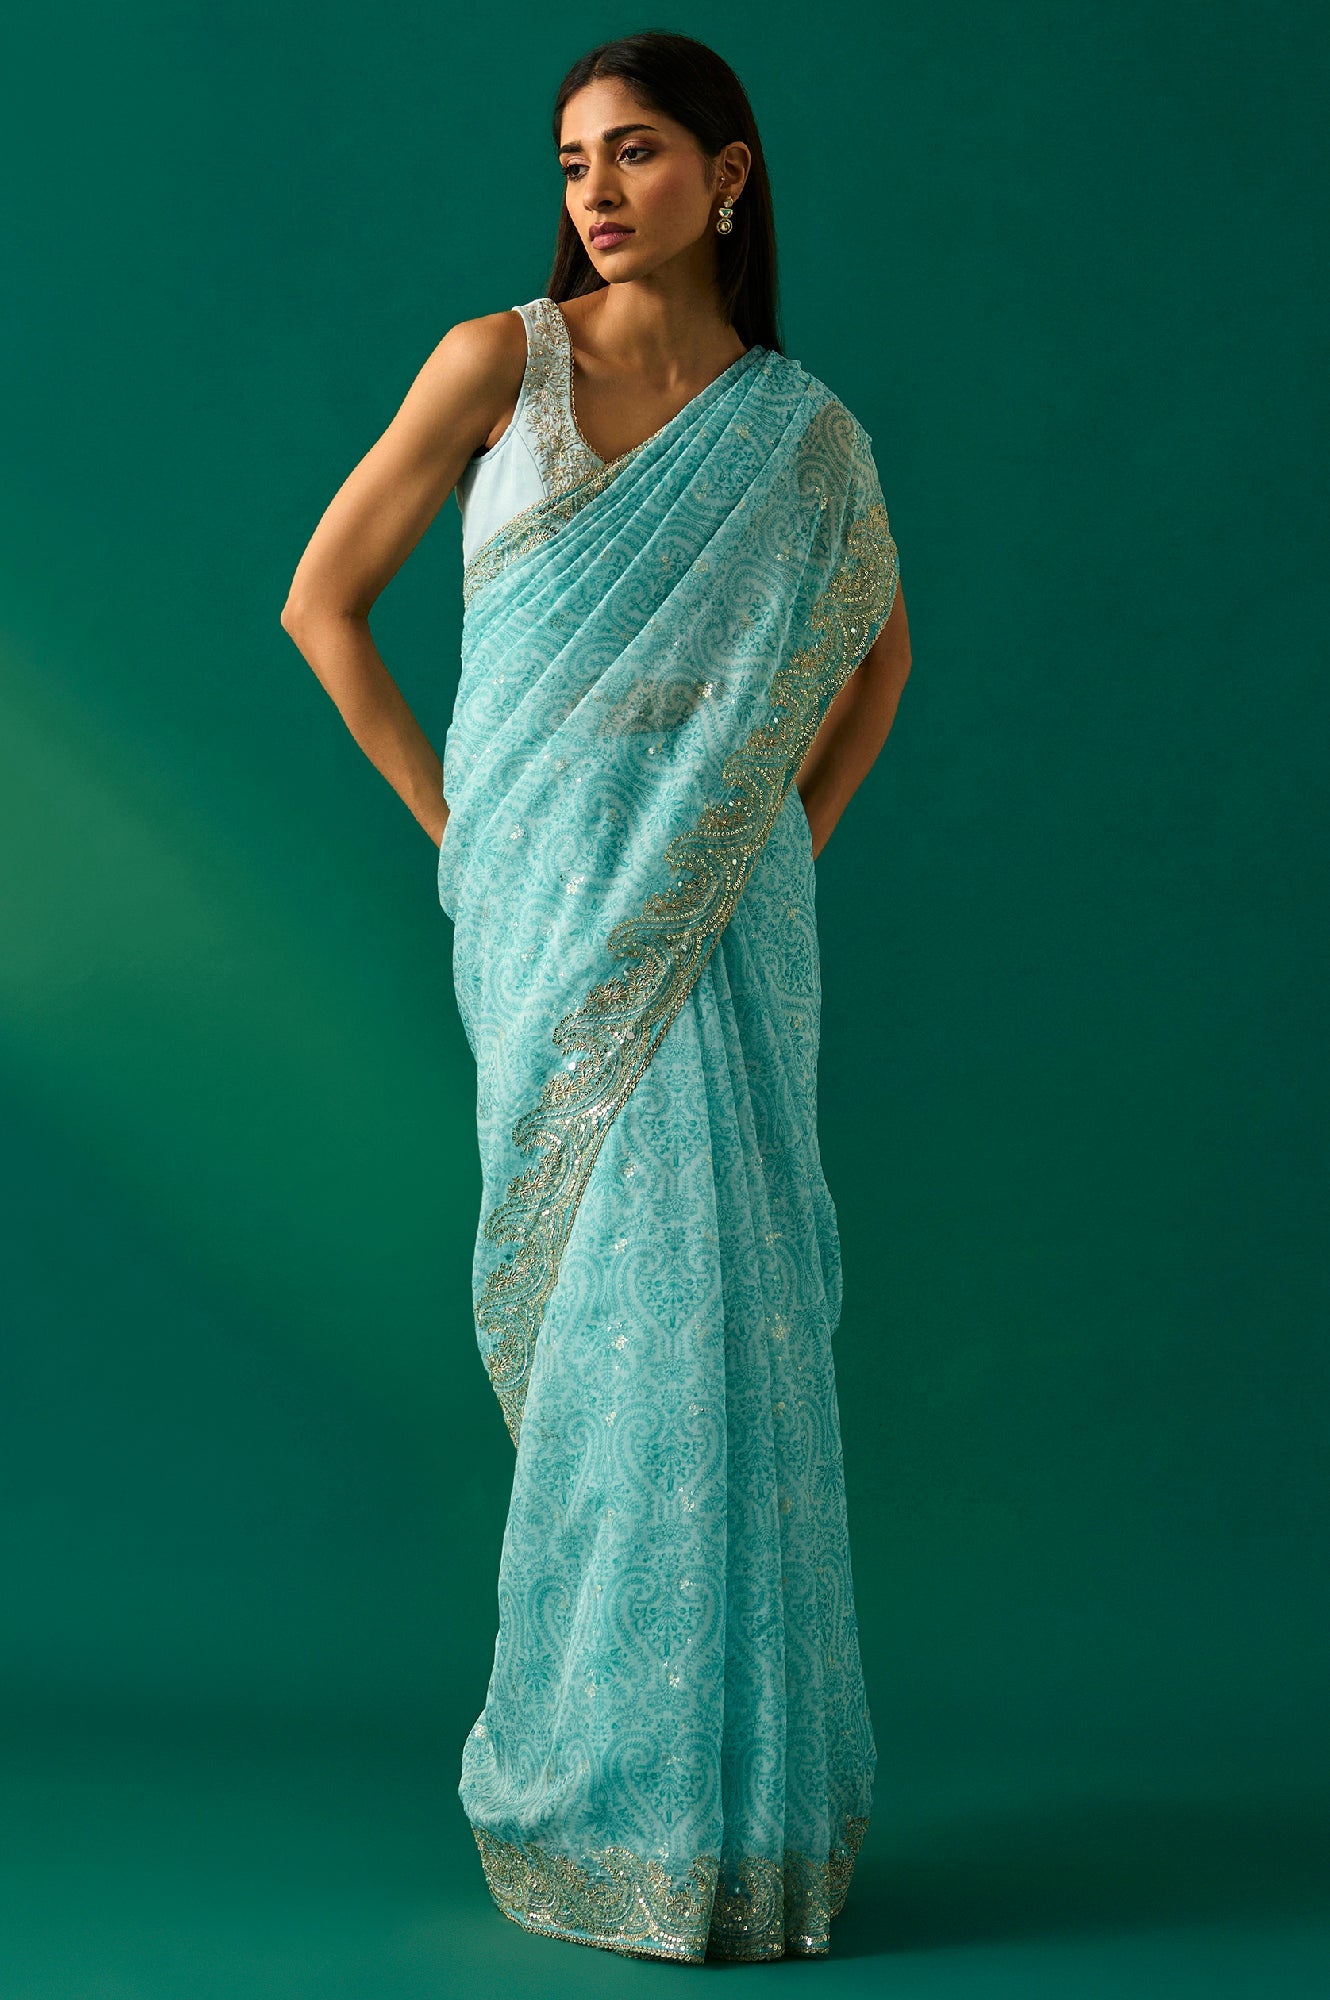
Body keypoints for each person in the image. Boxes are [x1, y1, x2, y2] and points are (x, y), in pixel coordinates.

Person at [281, 28, 912, 1966]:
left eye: (634, 153)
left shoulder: (800, 433)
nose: (596, 193)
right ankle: (598, 1799)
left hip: (724, 929)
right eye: (572, 163)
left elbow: (876, 658)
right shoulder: (498, 363)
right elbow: (322, 604)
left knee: (731, 1330)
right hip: (542, 913)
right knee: (609, 1342)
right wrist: (463, 834)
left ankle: (742, 1823)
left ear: (727, 174)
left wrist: (757, 849)